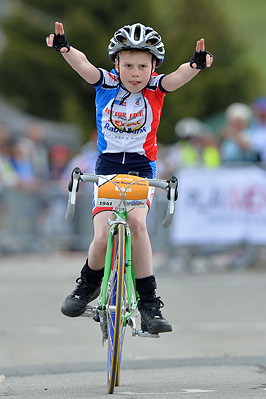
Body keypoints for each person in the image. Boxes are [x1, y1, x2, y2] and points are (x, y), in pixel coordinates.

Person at [46, 22, 213, 334]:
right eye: (128, 66)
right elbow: (83, 64)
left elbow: (177, 77)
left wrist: (195, 66)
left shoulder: (155, 88)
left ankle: (149, 302)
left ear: (153, 67)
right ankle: (88, 285)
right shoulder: (106, 83)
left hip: (141, 169)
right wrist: (65, 48)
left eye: (142, 66)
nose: (135, 73)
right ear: (116, 64)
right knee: (101, 233)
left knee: (137, 224)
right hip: (107, 167)